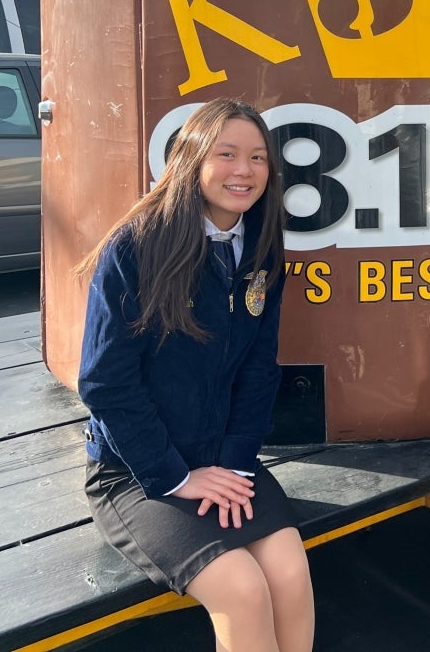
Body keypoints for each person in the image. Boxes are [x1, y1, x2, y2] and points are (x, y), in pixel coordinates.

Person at [77, 98, 314, 652]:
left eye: (258, 158)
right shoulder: (136, 247)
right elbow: (106, 383)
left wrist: (230, 462)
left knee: (288, 573)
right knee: (241, 588)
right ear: (190, 159)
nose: (244, 171)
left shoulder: (261, 246)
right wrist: (175, 477)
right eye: (226, 154)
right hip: (137, 472)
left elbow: (259, 371)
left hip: (219, 458)